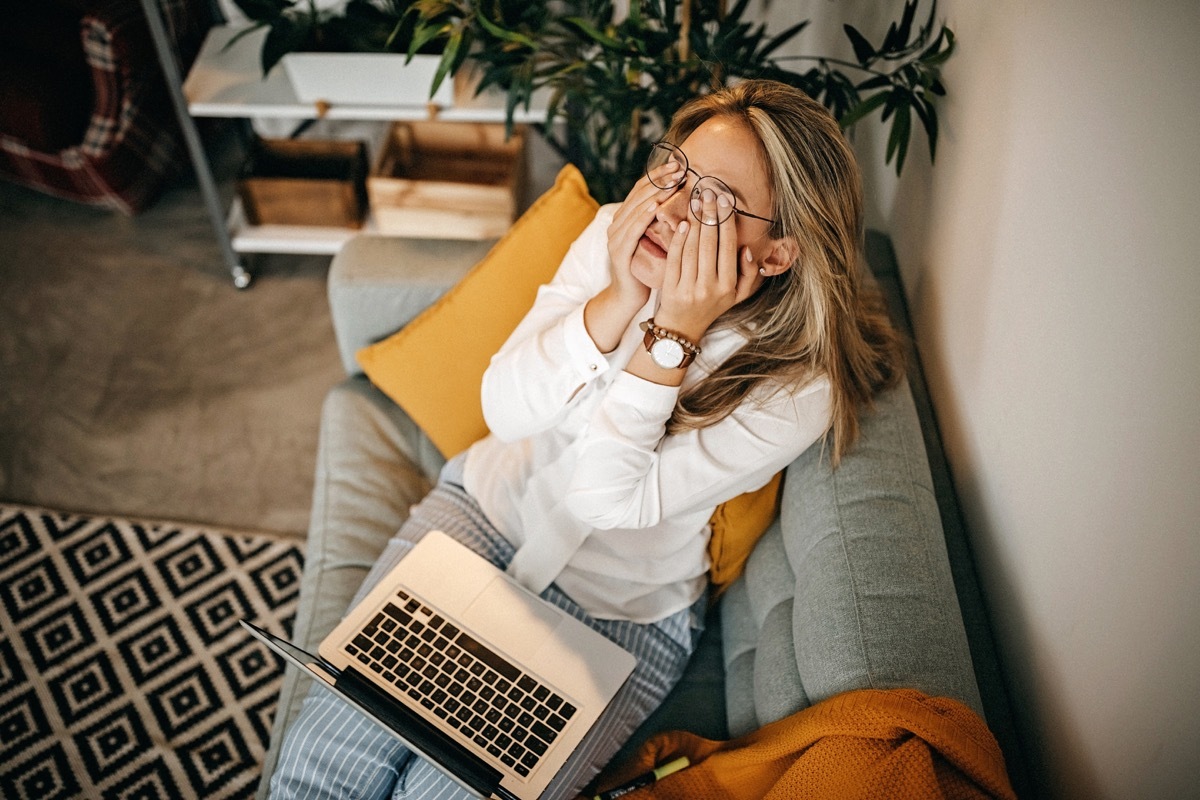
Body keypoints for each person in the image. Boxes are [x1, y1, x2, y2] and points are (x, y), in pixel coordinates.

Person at [269, 79, 903, 799]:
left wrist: (673, 335)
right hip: (483, 517)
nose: (666, 206)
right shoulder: (615, 236)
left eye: (713, 202)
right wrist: (620, 298)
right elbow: (502, 409)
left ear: (776, 254)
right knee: (317, 769)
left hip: (617, 613)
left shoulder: (795, 387)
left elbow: (605, 499)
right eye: (675, 173)